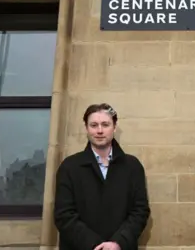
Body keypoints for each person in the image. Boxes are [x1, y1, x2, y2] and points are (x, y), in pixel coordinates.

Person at [54, 103, 150, 250]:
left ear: (114, 127)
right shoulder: (69, 167)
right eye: (94, 125)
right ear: (86, 128)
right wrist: (94, 245)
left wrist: (118, 243)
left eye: (105, 124)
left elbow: (140, 211)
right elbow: (64, 215)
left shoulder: (132, 166)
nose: (99, 130)